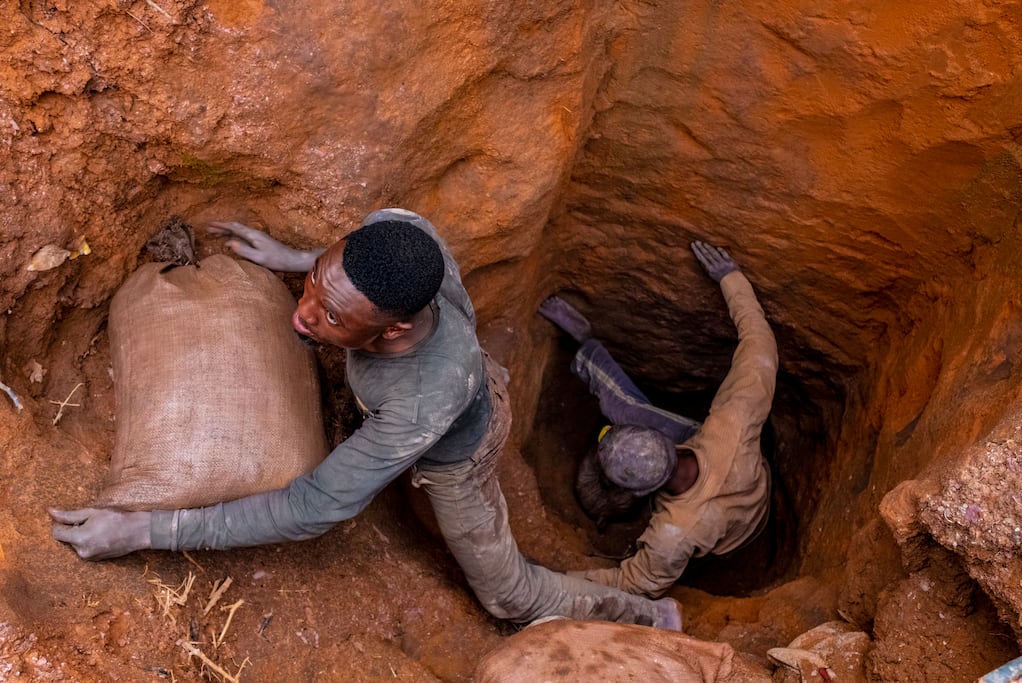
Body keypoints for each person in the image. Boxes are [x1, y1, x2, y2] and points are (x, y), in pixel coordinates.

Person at [49, 208, 682, 630]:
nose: (303, 316)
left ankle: (650, 615)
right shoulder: (402, 233)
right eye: (315, 288)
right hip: (461, 379)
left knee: (510, 596)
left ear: (396, 327)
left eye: (330, 317)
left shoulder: (418, 402)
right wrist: (298, 259)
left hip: (457, 452)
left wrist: (146, 532)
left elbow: (314, 506)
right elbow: (351, 259)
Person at [539, 241, 777, 598]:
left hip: (732, 542)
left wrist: (550, 580)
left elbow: (632, 583)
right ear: (666, 441)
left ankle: (589, 352)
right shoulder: (734, 421)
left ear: (637, 494)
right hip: (731, 463)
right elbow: (760, 348)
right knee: (630, 410)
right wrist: (731, 278)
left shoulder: (672, 534)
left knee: (630, 411)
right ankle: (588, 348)